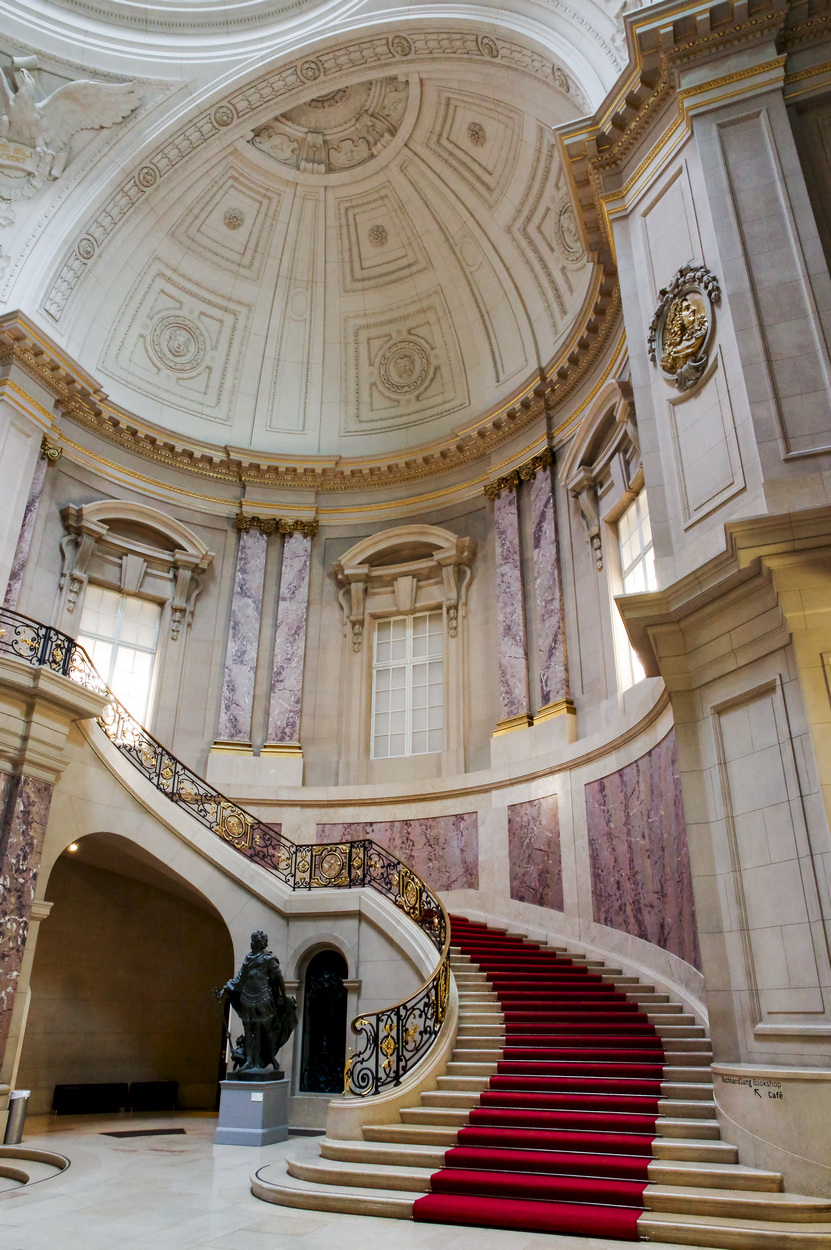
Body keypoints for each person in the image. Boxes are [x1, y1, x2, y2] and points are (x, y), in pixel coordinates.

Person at [216, 931, 297, 1074]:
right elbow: (239, 978)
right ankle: (249, 1061)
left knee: (262, 1031)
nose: (251, 943)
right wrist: (224, 989)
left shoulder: (268, 959)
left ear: (258, 944)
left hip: (263, 998)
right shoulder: (248, 958)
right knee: (248, 1029)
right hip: (247, 997)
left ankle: (267, 1058)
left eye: (253, 941)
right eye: (252, 941)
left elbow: (278, 978)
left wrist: (283, 997)